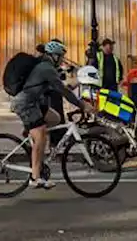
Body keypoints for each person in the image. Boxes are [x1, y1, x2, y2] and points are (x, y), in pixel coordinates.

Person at [11, 39, 89, 190]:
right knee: (41, 136)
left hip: (35, 102)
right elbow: (63, 90)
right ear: (53, 56)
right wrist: (82, 105)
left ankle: (30, 133)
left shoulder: (46, 67)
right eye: (60, 57)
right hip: (26, 104)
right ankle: (35, 177)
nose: (62, 61)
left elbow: (58, 87)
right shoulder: (46, 68)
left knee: (56, 119)